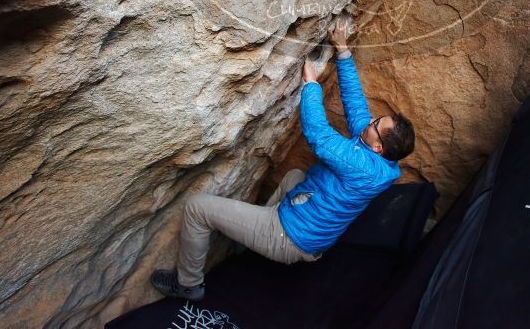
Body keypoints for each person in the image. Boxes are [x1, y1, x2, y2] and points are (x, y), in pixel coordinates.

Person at [150, 21, 416, 301]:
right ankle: (252, 238)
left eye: (376, 123)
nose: (371, 119)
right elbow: (357, 108)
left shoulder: (364, 167)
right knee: (295, 177)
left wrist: (311, 85)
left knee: (197, 208)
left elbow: (319, 136)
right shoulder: (381, 158)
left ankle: (188, 285)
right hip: (312, 235)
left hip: (288, 237)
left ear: (377, 147)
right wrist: (343, 50)